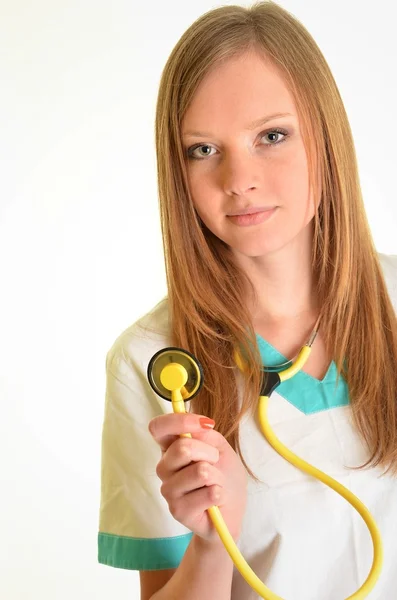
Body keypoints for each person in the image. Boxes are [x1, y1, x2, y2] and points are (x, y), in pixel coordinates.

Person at [97, 1, 397, 598]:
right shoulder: (153, 362)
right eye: (203, 149)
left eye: (272, 136)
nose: (239, 179)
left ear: (326, 137)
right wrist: (212, 539)